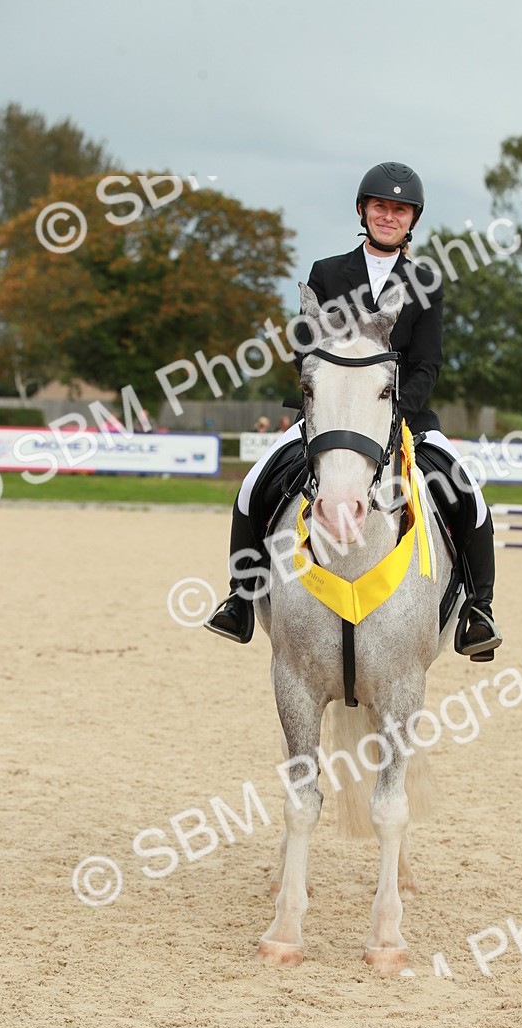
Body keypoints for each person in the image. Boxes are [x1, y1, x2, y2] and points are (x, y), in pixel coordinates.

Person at [206, 161, 501, 660]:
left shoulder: (425, 281)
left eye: (400, 209)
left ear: (412, 219)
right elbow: (306, 349)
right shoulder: (326, 273)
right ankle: (240, 596)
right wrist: (325, 395)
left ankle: (478, 608)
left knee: (468, 494)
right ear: (363, 211)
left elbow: (428, 362)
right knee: (254, 482)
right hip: (328, 416)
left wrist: (393, 410)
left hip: (399, 417)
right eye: (381, 206)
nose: (389, 215)